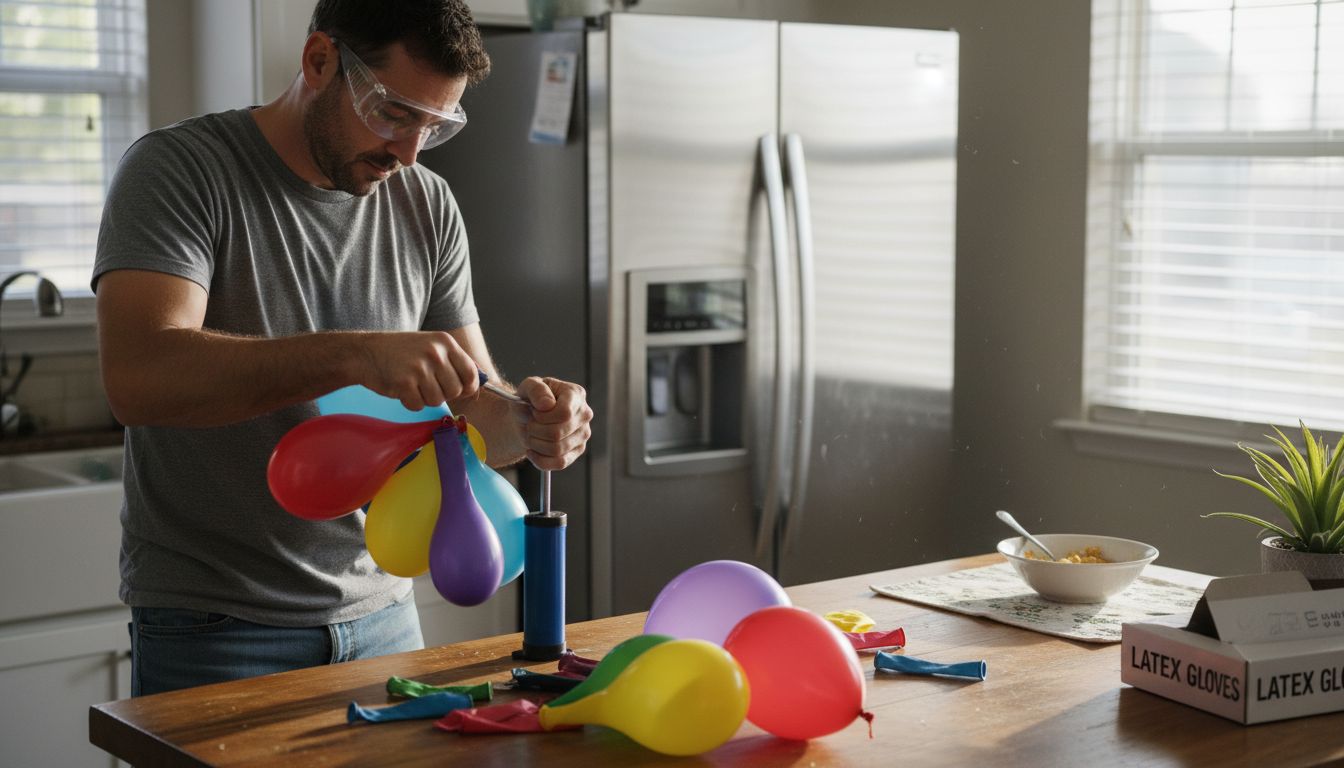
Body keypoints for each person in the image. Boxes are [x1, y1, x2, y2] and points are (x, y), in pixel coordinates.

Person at [92, 0, 592, 697]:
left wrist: (539, 422)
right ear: (320, 61)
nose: (410, 151)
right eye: (394, 112)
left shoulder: (426, 203)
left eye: (435, 126)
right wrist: (357, 354)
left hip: (383, 617)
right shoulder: (181, 170)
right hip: (214, 625)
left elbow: (481, 418)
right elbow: (140, 378)